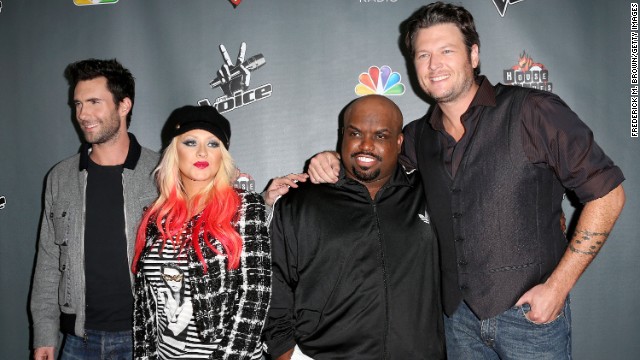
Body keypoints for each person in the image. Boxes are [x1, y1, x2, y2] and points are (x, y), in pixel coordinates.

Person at [307, 2, 626, 358]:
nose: (434, 65)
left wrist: (558, 286)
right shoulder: (416, 137)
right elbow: (372, 165)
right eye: (423, 55)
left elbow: (607, 195)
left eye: (446, 51)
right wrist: (332, 158)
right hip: (457, 324)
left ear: (473, 55)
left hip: (530, 320)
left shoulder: (532, 111)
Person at [263, 95, 445, 360]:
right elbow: (272, 286)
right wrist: (285, 353)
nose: (366, 145)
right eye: (356, 133)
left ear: (399, 142)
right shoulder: (299, 201)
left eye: (381, 135)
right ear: (342, 136)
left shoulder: (429, 190)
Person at [30, 58, 160, 360]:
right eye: (77, 104)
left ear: (123, 105)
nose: (82, 114)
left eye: (93, 102)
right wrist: (44, 336)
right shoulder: (61, 177)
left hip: (145, 339)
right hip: (78, 341)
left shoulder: (161, 173)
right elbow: (48, 263)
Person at [131, 105, 271, 359]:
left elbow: (255, 297)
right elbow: (144, 309)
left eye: (213, 144)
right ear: (175, 151)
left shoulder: (245, 207)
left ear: (223, 155)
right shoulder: (156, 216)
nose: (203, 152)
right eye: (191, 142)